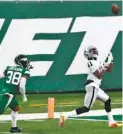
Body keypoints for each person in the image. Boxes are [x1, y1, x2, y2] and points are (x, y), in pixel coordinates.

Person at [59, 46, 122, 128]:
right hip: (92, 86)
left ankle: (111, 122)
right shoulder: (91, 62)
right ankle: (65, 115)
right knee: (86, 108)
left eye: (94, 50)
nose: (95, 52)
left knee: (107, 100)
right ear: (88, 54)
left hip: (96, 87)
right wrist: (104, 66)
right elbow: (99, 75)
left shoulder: (98, 62)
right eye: (92, 51)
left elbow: (109, 70)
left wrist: (111, 60)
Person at [0, 54, 33, 133]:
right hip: (7, 95)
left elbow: (0, 76)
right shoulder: (25, 71)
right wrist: (24, 96)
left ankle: (14, 127)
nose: (27, 64)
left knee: (16, 108)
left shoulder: (9, 68)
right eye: (26, 63)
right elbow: (22, 86)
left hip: (6, 92)